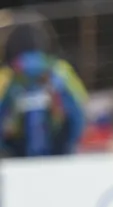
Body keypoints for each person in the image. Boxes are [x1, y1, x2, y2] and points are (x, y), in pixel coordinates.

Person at [0, 19, 86, 158]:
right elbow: (80, 108)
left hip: (16, 158)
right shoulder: (61, 70)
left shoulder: (6, 76)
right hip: (58, 154)